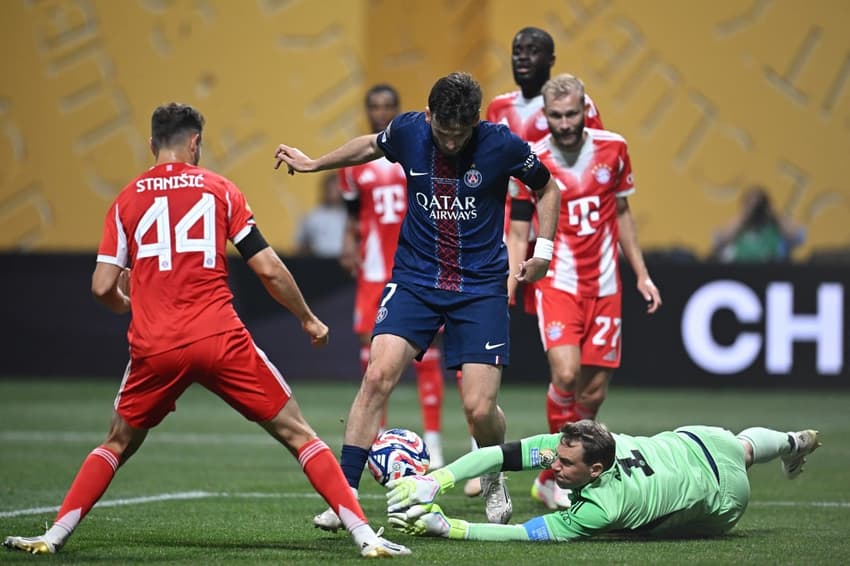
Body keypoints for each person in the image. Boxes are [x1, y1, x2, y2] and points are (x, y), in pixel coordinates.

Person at [2, 103, 409, 559]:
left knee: (117, 442)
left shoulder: (126, 200)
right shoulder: (220, 189)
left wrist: (129, 304)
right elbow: (268, 269)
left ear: (152, 143)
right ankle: (366, 537)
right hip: (220, 338)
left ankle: (53, 536)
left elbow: (101, 287)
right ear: (194, 142)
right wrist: (308, 318)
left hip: (156, 345)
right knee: (299, 434)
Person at [274, 72, 561, 528]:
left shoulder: (501, 144)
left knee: (479, 409)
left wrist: (542, 253)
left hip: (480, 286)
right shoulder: (410, 131)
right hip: (416, 279)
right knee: (377, 376)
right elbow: (369, 146)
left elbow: (548, 188)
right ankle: (344, 497)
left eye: (460, 134)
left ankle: (491, 472)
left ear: (476, 121)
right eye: (443, 132)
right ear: (428, 117)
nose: (451, 142)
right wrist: (314, 164)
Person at [508, 74, 662, 510]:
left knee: (592, 395)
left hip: (606, 285)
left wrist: (642, 275)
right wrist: (513, 274)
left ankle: (556, 476)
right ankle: (561, 473)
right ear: (545, 115)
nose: (565, 123)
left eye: (571, 114)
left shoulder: (614, 148)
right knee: (566, 375)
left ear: (584, 110)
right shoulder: (532, 159)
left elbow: (623, 213)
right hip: (557, 282)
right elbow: (518, 225)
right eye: (556, 116)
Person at [476, 27, 606, 502]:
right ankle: (485, 454)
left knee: (582, 383)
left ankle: (558, 469)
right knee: (486, 350)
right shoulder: (498, 108)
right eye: (517, 51)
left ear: (552, 60)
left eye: (533, 51)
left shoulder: (577, 107)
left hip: (562, 245)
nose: (523, 58)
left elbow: (589, 163)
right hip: (509, 235)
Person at [385, 419, 822, 541]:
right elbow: (500, 454)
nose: (554, 468)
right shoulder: (576, 444)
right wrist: (436, 480)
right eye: (557, 458)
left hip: (727, 498)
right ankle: (790, 442)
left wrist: (450, 528)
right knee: (741, 447)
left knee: (678, 521)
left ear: (595, 470)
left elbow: (523, 533)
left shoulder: (600, 509)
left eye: (565, 465)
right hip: (701, 442)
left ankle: (788, 444)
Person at [338, 84, 446, 469]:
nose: (381, 112)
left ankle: (434, 440)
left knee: (427, 354)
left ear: (399, 110)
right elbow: (353, 215)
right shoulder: (355, 164)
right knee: (373, 358)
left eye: (388, 106)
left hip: (417, 264)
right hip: (373, 269)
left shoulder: (416, 150)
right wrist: (348, 243)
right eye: (375, 106)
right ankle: (376, 438)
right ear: (367, 111)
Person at [711, 186, 805, 263]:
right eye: (749, 202)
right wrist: (745, 216)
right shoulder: (738, 225)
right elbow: (719, 241)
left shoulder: (777, 226)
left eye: (759, 202)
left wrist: (774, 215)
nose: (755, 207)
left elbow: (799, 238)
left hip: (773, 270)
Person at [295, 171, 347, 257]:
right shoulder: (314, 216)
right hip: (320, 259)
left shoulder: (349, 215)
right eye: (331, 188)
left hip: (343, 259)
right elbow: (302, 242)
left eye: (337, 188)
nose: (334, 192)